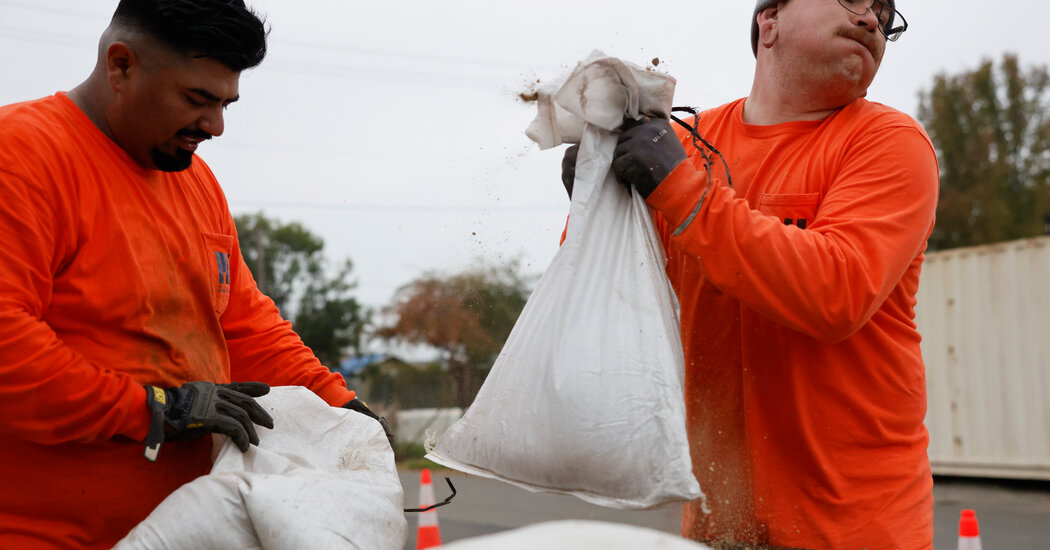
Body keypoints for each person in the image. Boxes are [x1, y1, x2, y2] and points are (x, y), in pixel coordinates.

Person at [0, 1, 390, 548]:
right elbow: (7, 345)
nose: (216, 126)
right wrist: (155, 409)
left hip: (184, 529)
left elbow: (246, 326)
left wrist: (345, 410)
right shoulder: (21, 155)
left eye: (226, 103)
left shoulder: (195, 181)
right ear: (121, 66)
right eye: (197, 99)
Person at [563, 1, 935, 548]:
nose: (872, 20)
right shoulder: (685, 145)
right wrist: (594, 205)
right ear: (770, 20)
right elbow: (611, 293)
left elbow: (837, 294)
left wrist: (680, 189)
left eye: (884, 12)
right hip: (722, 527)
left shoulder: (887, 143)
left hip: (856, 529)